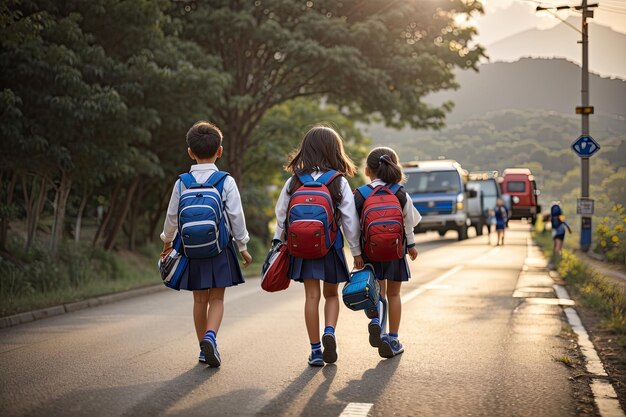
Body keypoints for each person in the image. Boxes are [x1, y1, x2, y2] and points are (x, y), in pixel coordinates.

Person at [160, 121, 252, 367]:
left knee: (199, 300)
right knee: (217, 300)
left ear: (190, 152)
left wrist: (167, 242)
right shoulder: (225, 181)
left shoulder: (182, 182)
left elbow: (171, 216)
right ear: (219, 151)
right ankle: (211, 337)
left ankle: (203, 348)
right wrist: (242, 246)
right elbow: (236, 216)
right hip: (220, 248)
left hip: (190, 249)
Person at [273, 125, 363, 367]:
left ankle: (315, 351)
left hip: (301, 249)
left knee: (311, 296)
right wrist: (356, 253)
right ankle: (330, 332)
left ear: (306, 150)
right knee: (331, 295)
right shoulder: (337, 182)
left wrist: (278, 244)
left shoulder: (294, 182)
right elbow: (349, 221)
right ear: (335, 151)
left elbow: (281, 215)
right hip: (330, 248)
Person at [354, 147, 421, 358]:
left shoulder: (361, 194)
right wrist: (410, 246)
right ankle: (392, 338)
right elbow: (409, 223)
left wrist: (356, 253)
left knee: (377, 293)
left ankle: (376, 322)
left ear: (367, 171)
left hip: (370, 253)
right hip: (395, 252)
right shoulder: (400, 193)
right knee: (394, 294)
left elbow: (352, 227)